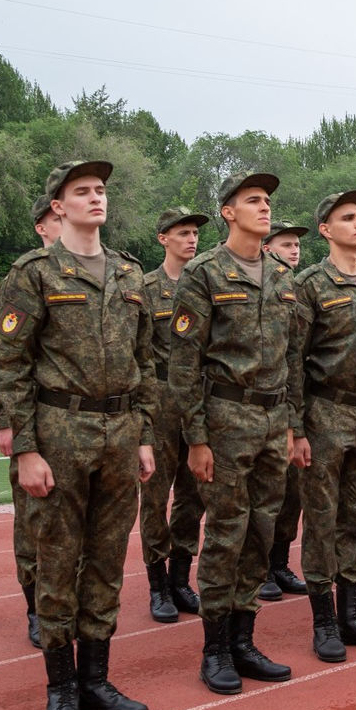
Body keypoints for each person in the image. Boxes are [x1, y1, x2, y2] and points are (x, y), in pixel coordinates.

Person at [0, 159, 156, 710]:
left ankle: (96, 680)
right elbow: (5, 362)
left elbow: (148, 362)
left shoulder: (131, 274)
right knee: (57, 561)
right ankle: (60, 688)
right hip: (60, 431)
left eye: (101, 189)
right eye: (81, 191)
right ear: (57, 206)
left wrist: (146, 433)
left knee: (107, 561)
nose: (94, 198)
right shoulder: (34, 272)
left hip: (119, 432)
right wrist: (25, 448)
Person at [169, 168, 301, 695]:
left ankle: (244, 640)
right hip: (225, 422)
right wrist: (197, 438)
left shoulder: (282, 274)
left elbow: (291, 358)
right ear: (228, 212)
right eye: (253, 200)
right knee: (226, 534)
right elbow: (184, 364)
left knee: (261, 532)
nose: (265, 207)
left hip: (272, 422)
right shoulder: (204, 274)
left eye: (268, 200)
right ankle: (216, 648)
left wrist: (289, 424)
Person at [288, 192, 356, 662]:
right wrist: (296, 429)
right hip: (324, 415)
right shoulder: (310, 285)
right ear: (325, 230)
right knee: (321, 519)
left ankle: (352, 613)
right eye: (347, 218)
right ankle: (325, 621)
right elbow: (293, 360)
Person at [0, 191, 65, 648]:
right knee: (34, 523)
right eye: (54, 218)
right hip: (34, 419)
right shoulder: (26, 275)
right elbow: (4, 357)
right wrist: (10, 426)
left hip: (76, 424)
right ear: (43, 225)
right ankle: (36, 607)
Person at [139, 206, 208, 624]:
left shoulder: (205, 285)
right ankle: (157, 583)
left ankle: (182, 578)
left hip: (198, 399)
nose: (192, 239)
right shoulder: (146, 288)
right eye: (182, 232)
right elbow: (138, 353)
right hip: (160, 399)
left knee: (193, 495)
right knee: (154, 497)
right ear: (163, 238)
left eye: (195, 233)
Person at [258, 221, 312, 602]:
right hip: (260, 405)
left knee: (291, 493)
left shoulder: (299, 289)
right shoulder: (259, 286)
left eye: (296, 245)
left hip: (298, 402)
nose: (294, 251)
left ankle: (279, 563)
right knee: (264, 496)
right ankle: (259, 568)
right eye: (286, 244)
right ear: (266, 247)